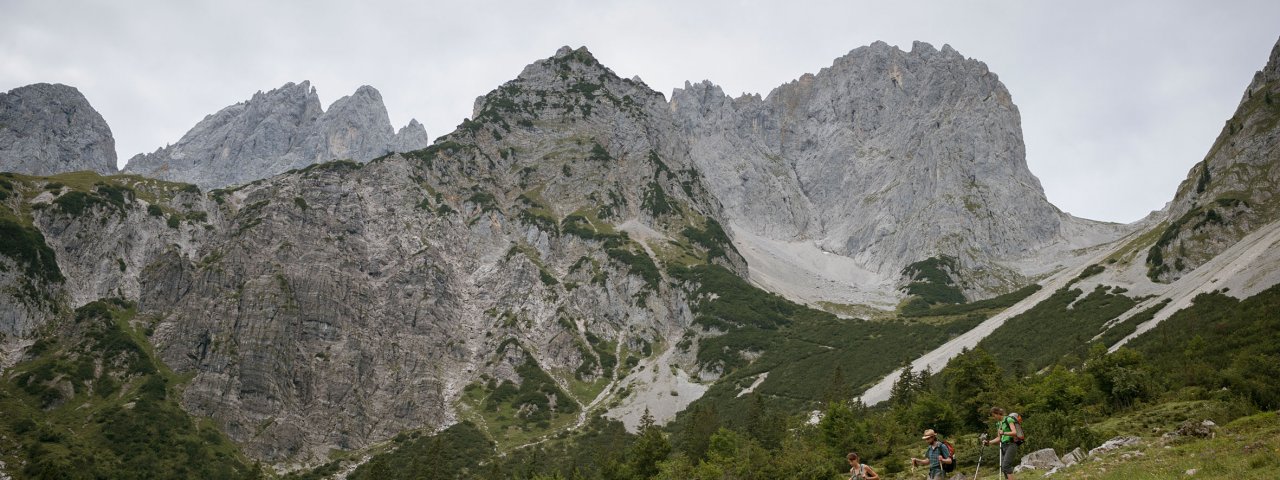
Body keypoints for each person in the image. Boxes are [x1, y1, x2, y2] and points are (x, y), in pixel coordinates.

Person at [983, 407, 1017, 480]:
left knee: (1006, 466)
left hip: (1011, 444)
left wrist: (1004, 432)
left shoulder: (1008, 419)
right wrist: (989, 442)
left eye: (994, 415)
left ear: (998, 413)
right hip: (1003, 446)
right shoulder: (998, 423)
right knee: (1003, 467)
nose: (993, 417)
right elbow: (999, 438)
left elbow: (1015, 432)